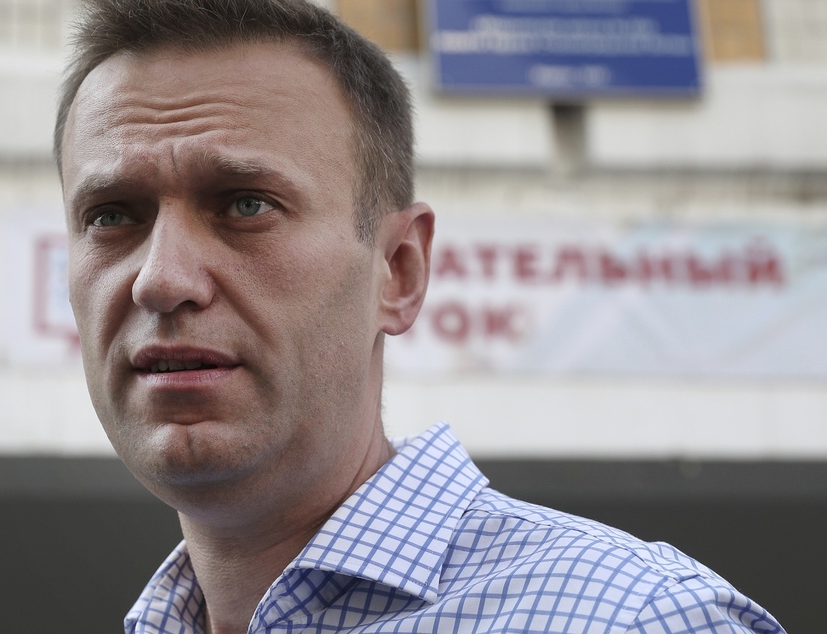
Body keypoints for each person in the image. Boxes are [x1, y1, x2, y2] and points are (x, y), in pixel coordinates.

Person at [55, 0, 784, 632]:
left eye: (246, 204)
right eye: (112, 215)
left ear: (398, 271)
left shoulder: (637, 619)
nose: (161, 279)